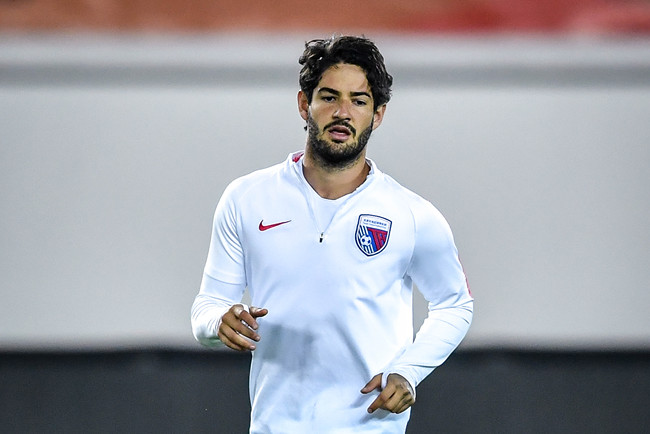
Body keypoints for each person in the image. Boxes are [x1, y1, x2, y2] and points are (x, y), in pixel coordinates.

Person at [191, 35, 473, 433]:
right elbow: (207, 306)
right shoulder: (247, 198)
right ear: (305, 104)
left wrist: (409, 370)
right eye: (329, 97)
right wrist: (218, 321)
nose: (343, 112)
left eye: (359, 101)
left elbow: (455, 304)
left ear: (377, 115)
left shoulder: (411, 215)